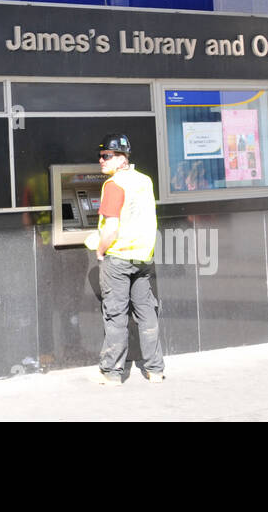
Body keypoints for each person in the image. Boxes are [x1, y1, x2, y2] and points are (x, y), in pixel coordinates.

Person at [90, 133, 165, 386]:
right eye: (101, 156)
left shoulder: (114, 185)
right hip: (143, 257)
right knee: (146, 313)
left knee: (116, 315)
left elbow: (111, 227)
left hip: (119, 257)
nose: (101, 160)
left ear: (122, 158)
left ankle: (111, 372)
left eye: (106, 156)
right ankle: (155, 370)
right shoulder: (144, 180)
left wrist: (100, 250)